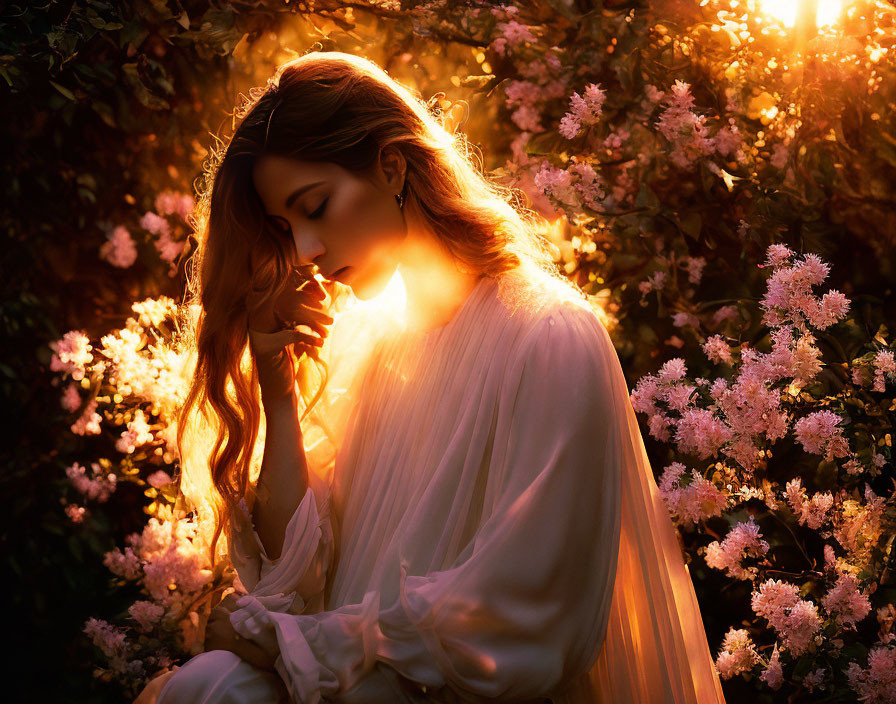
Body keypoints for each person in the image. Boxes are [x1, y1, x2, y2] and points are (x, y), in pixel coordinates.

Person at [137, 51, 727, 703]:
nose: (306, 250)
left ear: (391, 166)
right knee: (209, 687)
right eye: (286, 227)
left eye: (317, 205)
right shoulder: (364, 340)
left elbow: (521, 626)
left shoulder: (549, 338)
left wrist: (289, 645)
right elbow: (292, 581)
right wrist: (277, 397)